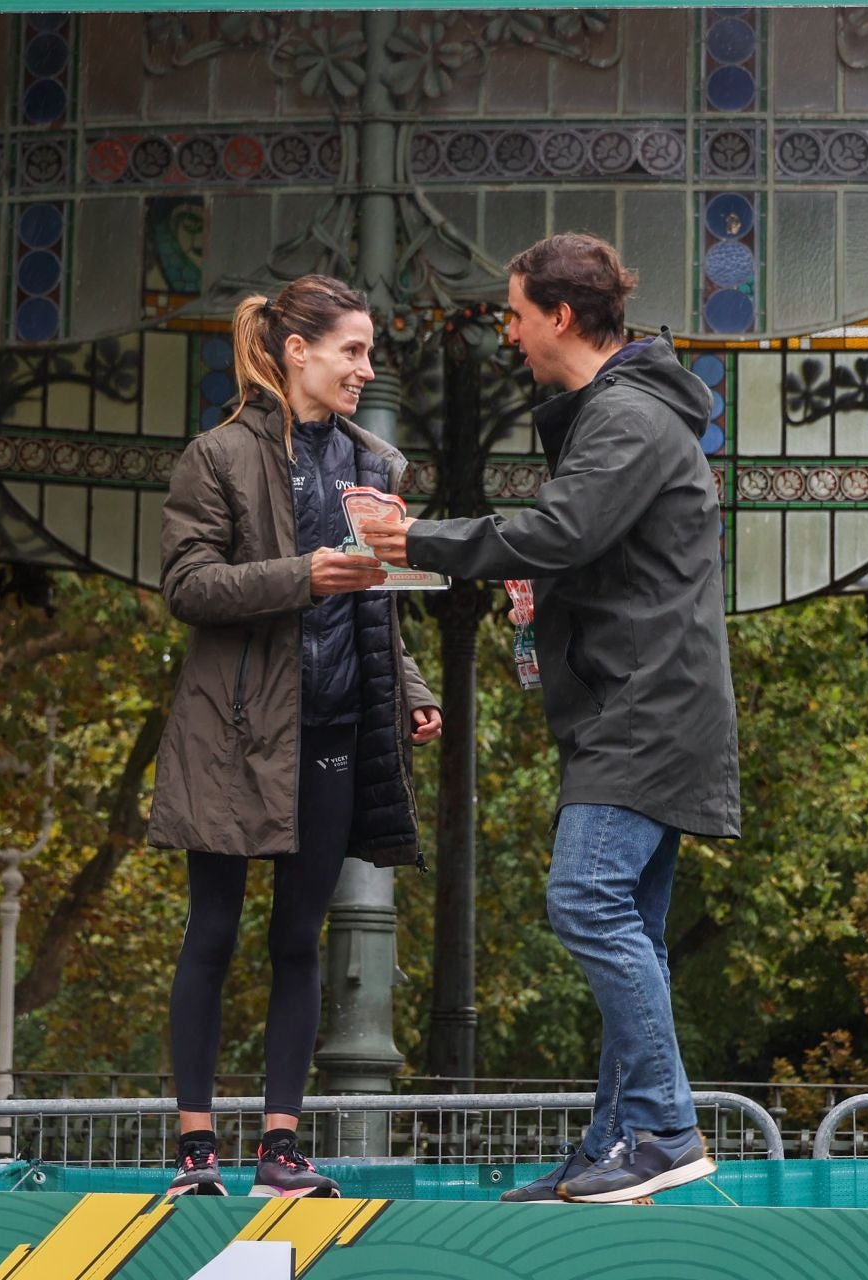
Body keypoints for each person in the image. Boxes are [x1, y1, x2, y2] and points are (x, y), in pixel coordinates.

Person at [361, 233, 741, 1204]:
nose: (511, 333)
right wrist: (548, 596)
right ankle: (616, 1142)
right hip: (648, 707)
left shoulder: (625, 414)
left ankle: (664, 1129)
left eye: (517, 315)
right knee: (630, 928)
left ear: (561, 317)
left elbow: (561, 528)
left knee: (584, 900)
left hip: (645, 714)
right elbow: (594, 550)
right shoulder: (626, 413)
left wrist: (412, 536)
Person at [148, 274, 442, 1199]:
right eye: (352, 350)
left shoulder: (376, 466)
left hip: (338, 729)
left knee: (298, 941)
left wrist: (413, 690)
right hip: (232, 733)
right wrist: (300, 576)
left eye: (369, 351)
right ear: (296, 352)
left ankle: (281, 1150)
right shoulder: (216, 456)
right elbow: (187, 586)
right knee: (212, 932)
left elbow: (377, 602)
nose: (366, 368)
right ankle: (197, 1153)